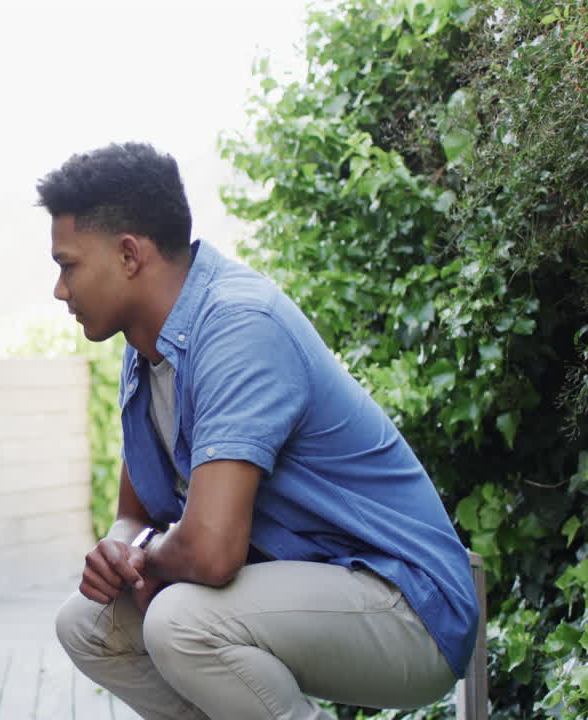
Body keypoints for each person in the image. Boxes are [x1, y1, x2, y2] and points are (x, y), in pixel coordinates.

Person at [40, 143, 479, 719]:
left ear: (128, 254)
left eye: (68, 265)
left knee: (182, 622)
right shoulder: (147, 352)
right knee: (87, 622)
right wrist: (121, 550)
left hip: (410, 607)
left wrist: (146, 561)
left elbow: (212, 552)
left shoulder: (238, 327)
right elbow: (139, 516)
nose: (60, 290)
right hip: (312, 594)